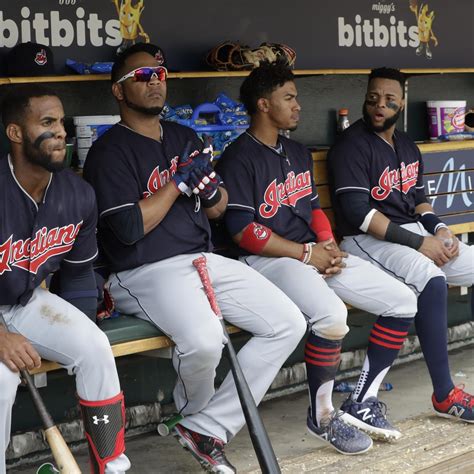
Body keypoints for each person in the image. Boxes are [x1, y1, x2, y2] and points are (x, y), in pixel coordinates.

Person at [83, 43, 307, 473]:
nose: (155, 82)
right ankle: (198, 421)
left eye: (160, 74)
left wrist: (208, 190)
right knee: (205, 340)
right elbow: (128, 229)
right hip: (143, 269)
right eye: (142, 76)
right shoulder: (109, 151)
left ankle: (207, 428)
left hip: (202, 258)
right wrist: (176, 185)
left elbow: (220, 209)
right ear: (118, 90)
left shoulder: (184, 137)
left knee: (288, 322)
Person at [215, 60, 419, 455]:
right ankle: (322, 415)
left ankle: (362, 400)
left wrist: (329, 246)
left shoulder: (295, 151)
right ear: (263, 104)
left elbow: (312, 209)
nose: (298, 106)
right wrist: (306, 253)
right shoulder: (238, 157)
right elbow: (243, 231)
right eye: (288, 98)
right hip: (268, 260)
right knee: (332, 316)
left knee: (402, 300)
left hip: (311, 252)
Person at [328, 67, 474, 424]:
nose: (380, 105)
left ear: (402, 103)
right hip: (367, 239)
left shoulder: (407, 145)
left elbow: (419, 201)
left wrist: (440, 231)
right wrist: (420, 243)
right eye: (373, 98)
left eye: (389, 99)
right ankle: (445, 394)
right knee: (431, 280)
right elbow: (358, 214)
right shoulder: (351, 146)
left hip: (411, 232)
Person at [0, 85, 130, 474]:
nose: (60, 131)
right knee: (2, 381)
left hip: (24, 302)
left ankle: (110, 465)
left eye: (61, 122)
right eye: (47, 122)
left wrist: (75, 332)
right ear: (15, 133)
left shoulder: (78, 195)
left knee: (94, 347)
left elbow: (76, 277)